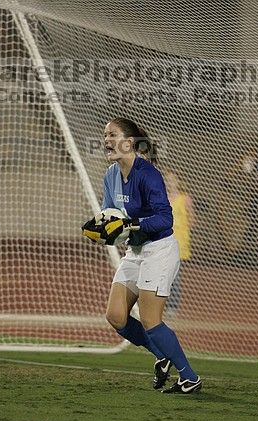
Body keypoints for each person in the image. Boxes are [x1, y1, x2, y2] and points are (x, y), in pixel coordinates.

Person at [82, 117, 202, 394]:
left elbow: (165, 219)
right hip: (135, 250)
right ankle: (161, 356)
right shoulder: (111, 175)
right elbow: (108, 216)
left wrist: (131, 226)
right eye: (105, 135)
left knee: (151, 320)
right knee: (116, 316)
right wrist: (102, 231)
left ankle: (189, 377)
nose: (106, 140)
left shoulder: (148, 174)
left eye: (112, 135)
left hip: (159, 250)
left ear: (129, 142)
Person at [163, 169, 194, 318]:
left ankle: (172, 307)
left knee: (175, 275)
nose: (170, 182)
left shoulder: (185, 199)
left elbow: (192, 220)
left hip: (178, 242)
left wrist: (179, 227)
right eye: (168, 180)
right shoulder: (161, 198)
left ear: (178, 181)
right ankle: (160, 304)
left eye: (173, 179)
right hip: (162, 241)